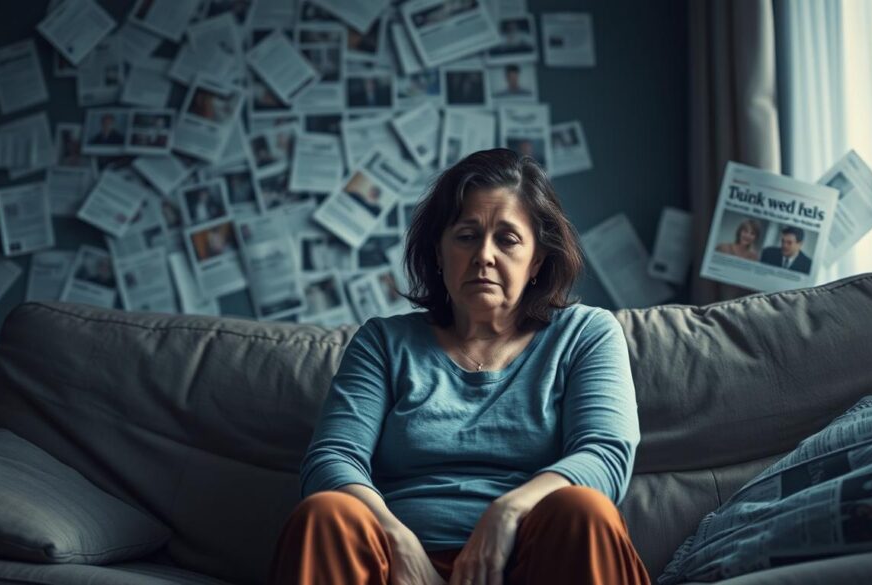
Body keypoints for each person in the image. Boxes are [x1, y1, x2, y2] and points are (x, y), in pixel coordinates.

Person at [269, 148, 649, 585]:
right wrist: (397, 539)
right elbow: (332, 457)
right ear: (438, 251)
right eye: (466, 236)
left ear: (537, 260)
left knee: (584, 508)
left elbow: (604, 453)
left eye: (507, 239)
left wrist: (508, 510)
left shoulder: (586, 334)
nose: (484, 255)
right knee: (326, 511)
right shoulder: (383, 343)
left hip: (534, 561)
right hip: (397, 570)